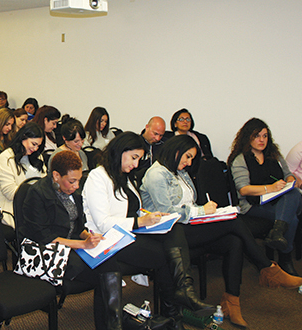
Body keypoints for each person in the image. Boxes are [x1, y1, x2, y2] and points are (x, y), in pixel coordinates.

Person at [140, 135, 302, 327]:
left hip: (188, 226)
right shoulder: (157, 174)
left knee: (235, 240)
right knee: (234, 223)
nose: (189, 162)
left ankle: (232, 303)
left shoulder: (179, 172)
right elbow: (166, 212)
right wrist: (201, 211)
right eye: (187, 156)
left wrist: (207, 211)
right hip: (170, 233)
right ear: (175, 150)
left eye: (192, 158)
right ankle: (267, 268)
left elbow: (190, 204)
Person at [83, 132, 214, 321]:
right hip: (108, 239)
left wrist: (150, 217)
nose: (136, 165)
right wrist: (139, 222)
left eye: (139, 159)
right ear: (120, 151)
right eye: (134, 158)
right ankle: (175, 312)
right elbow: (103, 223)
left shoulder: (124, 176)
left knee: (173, 228)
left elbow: (133, 210)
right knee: (165, 256)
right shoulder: (98, 177)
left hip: (130, 232)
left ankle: (182, 296)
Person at [20, 150, 122, 330]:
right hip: (48, 253)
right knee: (104, 273)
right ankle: (113, 324)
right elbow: (43, 237)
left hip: (71, 246)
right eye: (72, 181)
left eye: (79, 180)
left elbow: (79, 226)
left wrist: (88, 237)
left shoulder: (74, 192)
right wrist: (82, 244)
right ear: (56, 176)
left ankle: (113, 323)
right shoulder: (37, 193)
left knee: (108, 262)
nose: (76, 186)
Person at [228, 118, 302, 276]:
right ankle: (285, 259)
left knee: (294, 192)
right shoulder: (240, 159)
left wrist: (290, 181)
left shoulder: (273, 154)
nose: (262, 140)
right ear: (248, 137)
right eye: (257, 136)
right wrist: (270, 188)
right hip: (253, 205)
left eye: (265, 136)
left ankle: (277, 232)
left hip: (277, 201)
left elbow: (288, 174)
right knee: (293, 219)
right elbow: (243, 190)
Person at [0, 122, 46, 227]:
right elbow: (11, 193)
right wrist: (37, 196)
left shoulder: (37, 157)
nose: (35, 149)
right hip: (12, 209)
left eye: (38, 146)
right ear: (23, 137)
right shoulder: (6, 157)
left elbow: (45, 184)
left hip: (35, 206)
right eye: (33, 144)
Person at [132, 116, 167, 186]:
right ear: (147, 127)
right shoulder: (134, 144)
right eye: (155, 134)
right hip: (138, 183)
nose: (157, 138)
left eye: (161, 135)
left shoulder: (166, 145)